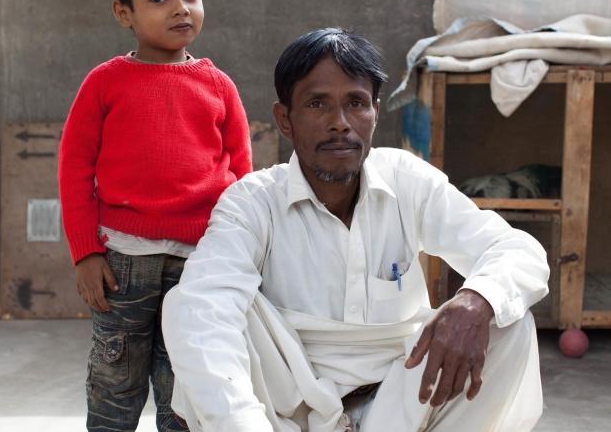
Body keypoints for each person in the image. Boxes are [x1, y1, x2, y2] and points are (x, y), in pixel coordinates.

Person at [162, 28, 549, 432]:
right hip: (288, 410)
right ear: (284, 120)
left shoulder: (406, 181)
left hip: (400, 407)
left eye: (356, 103)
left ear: (375, 112)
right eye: (317, 104)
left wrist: (475, 300)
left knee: (506, 318)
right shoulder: (253, 202)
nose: (340, 123)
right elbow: (203, 306)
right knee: (193, 306)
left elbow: (516, 250)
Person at [58, 0, 252, 431]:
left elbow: (243, 177)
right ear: (124, 13)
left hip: (199, 263)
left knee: (185, 385)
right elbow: (74, 168)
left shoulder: (218, 87)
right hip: (121, 263)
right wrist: (85, 252)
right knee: (115, 381)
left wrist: (244, 253)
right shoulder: (105, 84)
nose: (180, 8)